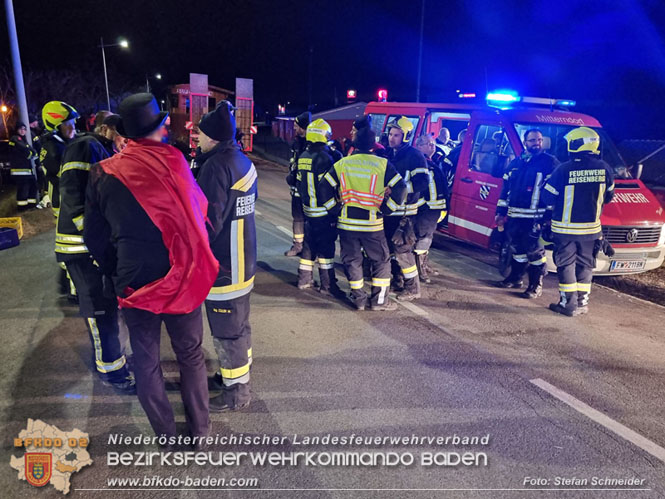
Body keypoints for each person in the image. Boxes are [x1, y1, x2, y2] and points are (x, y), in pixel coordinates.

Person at [84, 93, 218, 441]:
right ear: (158, 129)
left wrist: (117, 272)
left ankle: (166, 435)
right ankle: (200, 432)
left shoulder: (103, 172)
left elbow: (94, 236)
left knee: (146, 360)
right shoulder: (176, 162)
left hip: (134, 282)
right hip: (181, 276)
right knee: (190, 354)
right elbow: (199, 215)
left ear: (126, 134)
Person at [56, 111, 135, 393]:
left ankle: (116, 360)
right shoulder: (86, 146)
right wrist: (89, 234)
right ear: (105, 129)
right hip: (81, 248)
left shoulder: (97, 148)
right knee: (101, 311)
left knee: (108, 307)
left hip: (90, 246)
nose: (124, 141)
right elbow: (73, 192)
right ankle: (112, 372)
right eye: (120, 134)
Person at [194, 101, 257, 412]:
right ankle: (232, 376)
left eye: (200, 134)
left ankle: (236, 392)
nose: (196, 139)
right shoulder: (242, 161)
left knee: (227, 332)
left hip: (224, 265)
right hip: (243, 260)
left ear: (214, 137)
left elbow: (208, 221)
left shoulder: (216, 166)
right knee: (240, 326)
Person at [319, 127, 406, 310]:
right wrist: (386, 209)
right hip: (372, 224)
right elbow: (401, 188)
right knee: (381, 260)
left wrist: (333, 209)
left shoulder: (344, 163)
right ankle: (379, 302)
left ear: (354, 143)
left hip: (347, 223)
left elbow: (323, 187)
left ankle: (359, 299)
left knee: (352, 261)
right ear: (373, 145)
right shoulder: (382, 164)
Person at [541, 126, 614, 316]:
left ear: (576, 145)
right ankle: (582, 304)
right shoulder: (605, 168)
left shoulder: (564, 169)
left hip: (565, 230)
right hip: (591, 231)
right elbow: (608, 197)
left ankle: (567, 304)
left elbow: (547, 198)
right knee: (585, 265)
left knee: (566, 265)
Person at [495, 129, 559, 298]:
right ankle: (516, 278)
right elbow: (505, 190)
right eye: (532, 140)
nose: (537, 143)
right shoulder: (516, 163)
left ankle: (535, 285)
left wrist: (548, 217)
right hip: (515, 215)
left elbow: (555, 193)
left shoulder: (550, 163)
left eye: (539, 140)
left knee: (535, 252)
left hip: (535, 217)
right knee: (517, 249)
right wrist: (500, 212)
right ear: (525, 143)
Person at [288, 118, 341, 295]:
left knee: (309, 246)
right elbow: (329, 186)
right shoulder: (326, 158)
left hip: (308, 210)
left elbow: (293, 179)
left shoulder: (303, 156)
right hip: (323, 212)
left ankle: (304, 280)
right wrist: (335, 210)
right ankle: (327, 286)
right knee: (326, 249)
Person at [384, 117, 429, 301]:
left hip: (406, 214)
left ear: (406, 136)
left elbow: (422, 182)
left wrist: (400, 189)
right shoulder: (390, 154)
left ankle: (413, 288)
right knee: (391, 249)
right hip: (390, 211)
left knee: (403, 252)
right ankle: (398, 281)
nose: (391, 138)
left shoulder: (415, 156)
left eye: (396, 135)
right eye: (390, 134)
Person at [414, 135, 448, 283]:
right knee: (422, 239)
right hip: (425, 209)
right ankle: (419, 270)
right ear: (419, 146)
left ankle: (424, 265)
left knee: (427, 238)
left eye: (433, 143)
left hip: (434, 210)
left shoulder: (432, 162)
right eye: (428, 144)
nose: (432, 146)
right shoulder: (419, 163)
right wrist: (421, 206)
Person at [40, 101, 79, 218]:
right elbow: (69, 176)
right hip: (63, 200)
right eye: (67, 123)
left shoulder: (68, 143)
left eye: (73, 122)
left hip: (73, 199)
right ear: (55, 128)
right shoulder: (51, 150)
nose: (72, 127)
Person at [284, 112, 311, 257]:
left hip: (309, 191)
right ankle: (297, 246)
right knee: (298, 218)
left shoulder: (312, 144)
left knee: (310, 220)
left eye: (296, 125)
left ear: (303, 127)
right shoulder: (296, 143)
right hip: (296, 190)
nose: (294, 128)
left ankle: (310, 247)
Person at [8, 123, 38, 209]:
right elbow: (25, 149)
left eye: (24, 129)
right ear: (17, 130)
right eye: (21, 129)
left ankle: (31, 205)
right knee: (23, 189)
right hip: (20, 169)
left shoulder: (23, 139)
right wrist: (31, 153)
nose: (23, 130)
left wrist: (32, 152)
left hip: (26, 169)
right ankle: (22, 208)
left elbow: (29, 149)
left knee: (33, 186)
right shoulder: (15, 138)